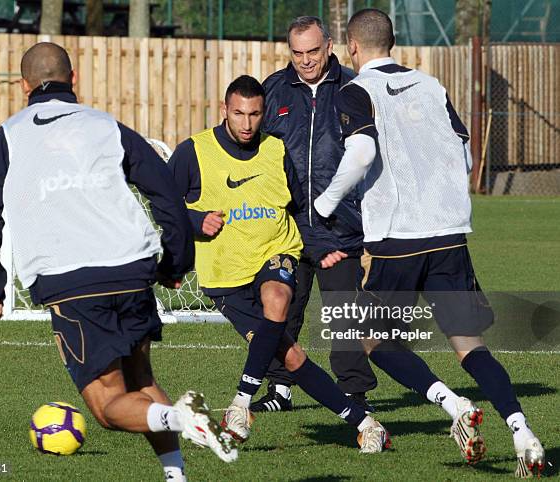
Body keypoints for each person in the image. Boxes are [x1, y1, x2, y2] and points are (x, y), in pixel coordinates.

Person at [0, 42, 237, 481]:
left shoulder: (9, 136)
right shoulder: (106, 125)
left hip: (70, 282)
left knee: (109, 408)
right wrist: (174, 263)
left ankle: (183, 419)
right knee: (142, 381)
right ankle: (176, 475)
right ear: (74, 79)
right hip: (132, 269)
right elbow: (165, 192)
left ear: (23, 86)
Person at [314, 9, 545, 478]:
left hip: (398, 240)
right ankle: (522, 432)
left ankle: (453, 403)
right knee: (470, 346)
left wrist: (326, 202)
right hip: (448, 234)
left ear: (352, 47)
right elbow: (465, 151)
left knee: (372, 340)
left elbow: (361, 151)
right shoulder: (431, 84)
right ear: (393, 43)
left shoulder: (355, 91)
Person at [168, 75, 390, 453]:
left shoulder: (275, 149)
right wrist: (194, 222)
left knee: (277, 298)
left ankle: (240, 403)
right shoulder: (194, 152)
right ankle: (365, 424)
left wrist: (317, 245)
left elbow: (298, 208)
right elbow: (165, 208)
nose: (246, 123)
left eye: (254, 114)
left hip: (277, 251)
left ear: (263, 112)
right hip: (225, 277)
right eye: (238, 113)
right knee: (292, 357)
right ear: (224, 110)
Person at [257, 16, 377, 413]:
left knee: (343, 313)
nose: (306, 60)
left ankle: (355, 395)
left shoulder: (354, 89)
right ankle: (279, 389)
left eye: (313, 51)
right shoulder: (273, 91)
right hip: (286, 228)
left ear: (329, 46)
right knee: (283, 310)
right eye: (297, 53)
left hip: (339, 227)